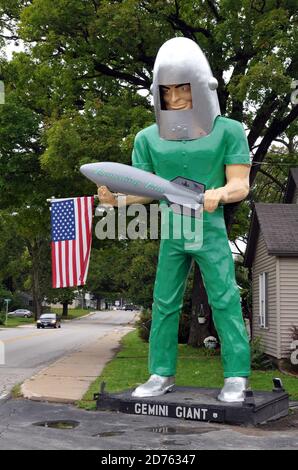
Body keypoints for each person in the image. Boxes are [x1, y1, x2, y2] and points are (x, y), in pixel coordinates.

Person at [98, 37, 251, 402]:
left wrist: (222, 193)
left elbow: (240, 183)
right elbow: (145, 188)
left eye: (185, 88)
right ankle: (160, 372)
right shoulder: (147, 138)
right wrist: (116, 199)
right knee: (163, 302)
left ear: (200, 87)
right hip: (172, 227)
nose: (177, 96)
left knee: (225, 299)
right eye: (169, 90)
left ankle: (236, 375)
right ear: (158, 92)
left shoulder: (228, 130)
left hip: (209, 228)